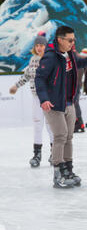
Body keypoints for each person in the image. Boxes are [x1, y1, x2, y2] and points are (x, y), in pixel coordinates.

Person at [35, 25, 87, 189]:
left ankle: (68, 170)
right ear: (60, 40)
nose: (73, 43)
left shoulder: (70, 54)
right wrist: (44, 99)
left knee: (68, 137)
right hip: (54, 104)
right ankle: (58, 174)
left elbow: (81, 62)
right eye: (70, 40)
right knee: (60, 136)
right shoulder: (50, 57)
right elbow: (39, 79)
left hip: (69, 102)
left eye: (74, 40)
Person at [9, 35, 53, 167]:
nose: (39, 48)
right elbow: (27, 75)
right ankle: (37, 155)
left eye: (42, 45)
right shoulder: (33, 60)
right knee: (38, 126)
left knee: (51, 127)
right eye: (37, 46)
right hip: (36, 98)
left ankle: (54, 153)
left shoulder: (50, 60)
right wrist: (16, 86)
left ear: (46, 46)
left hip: (49, 98)